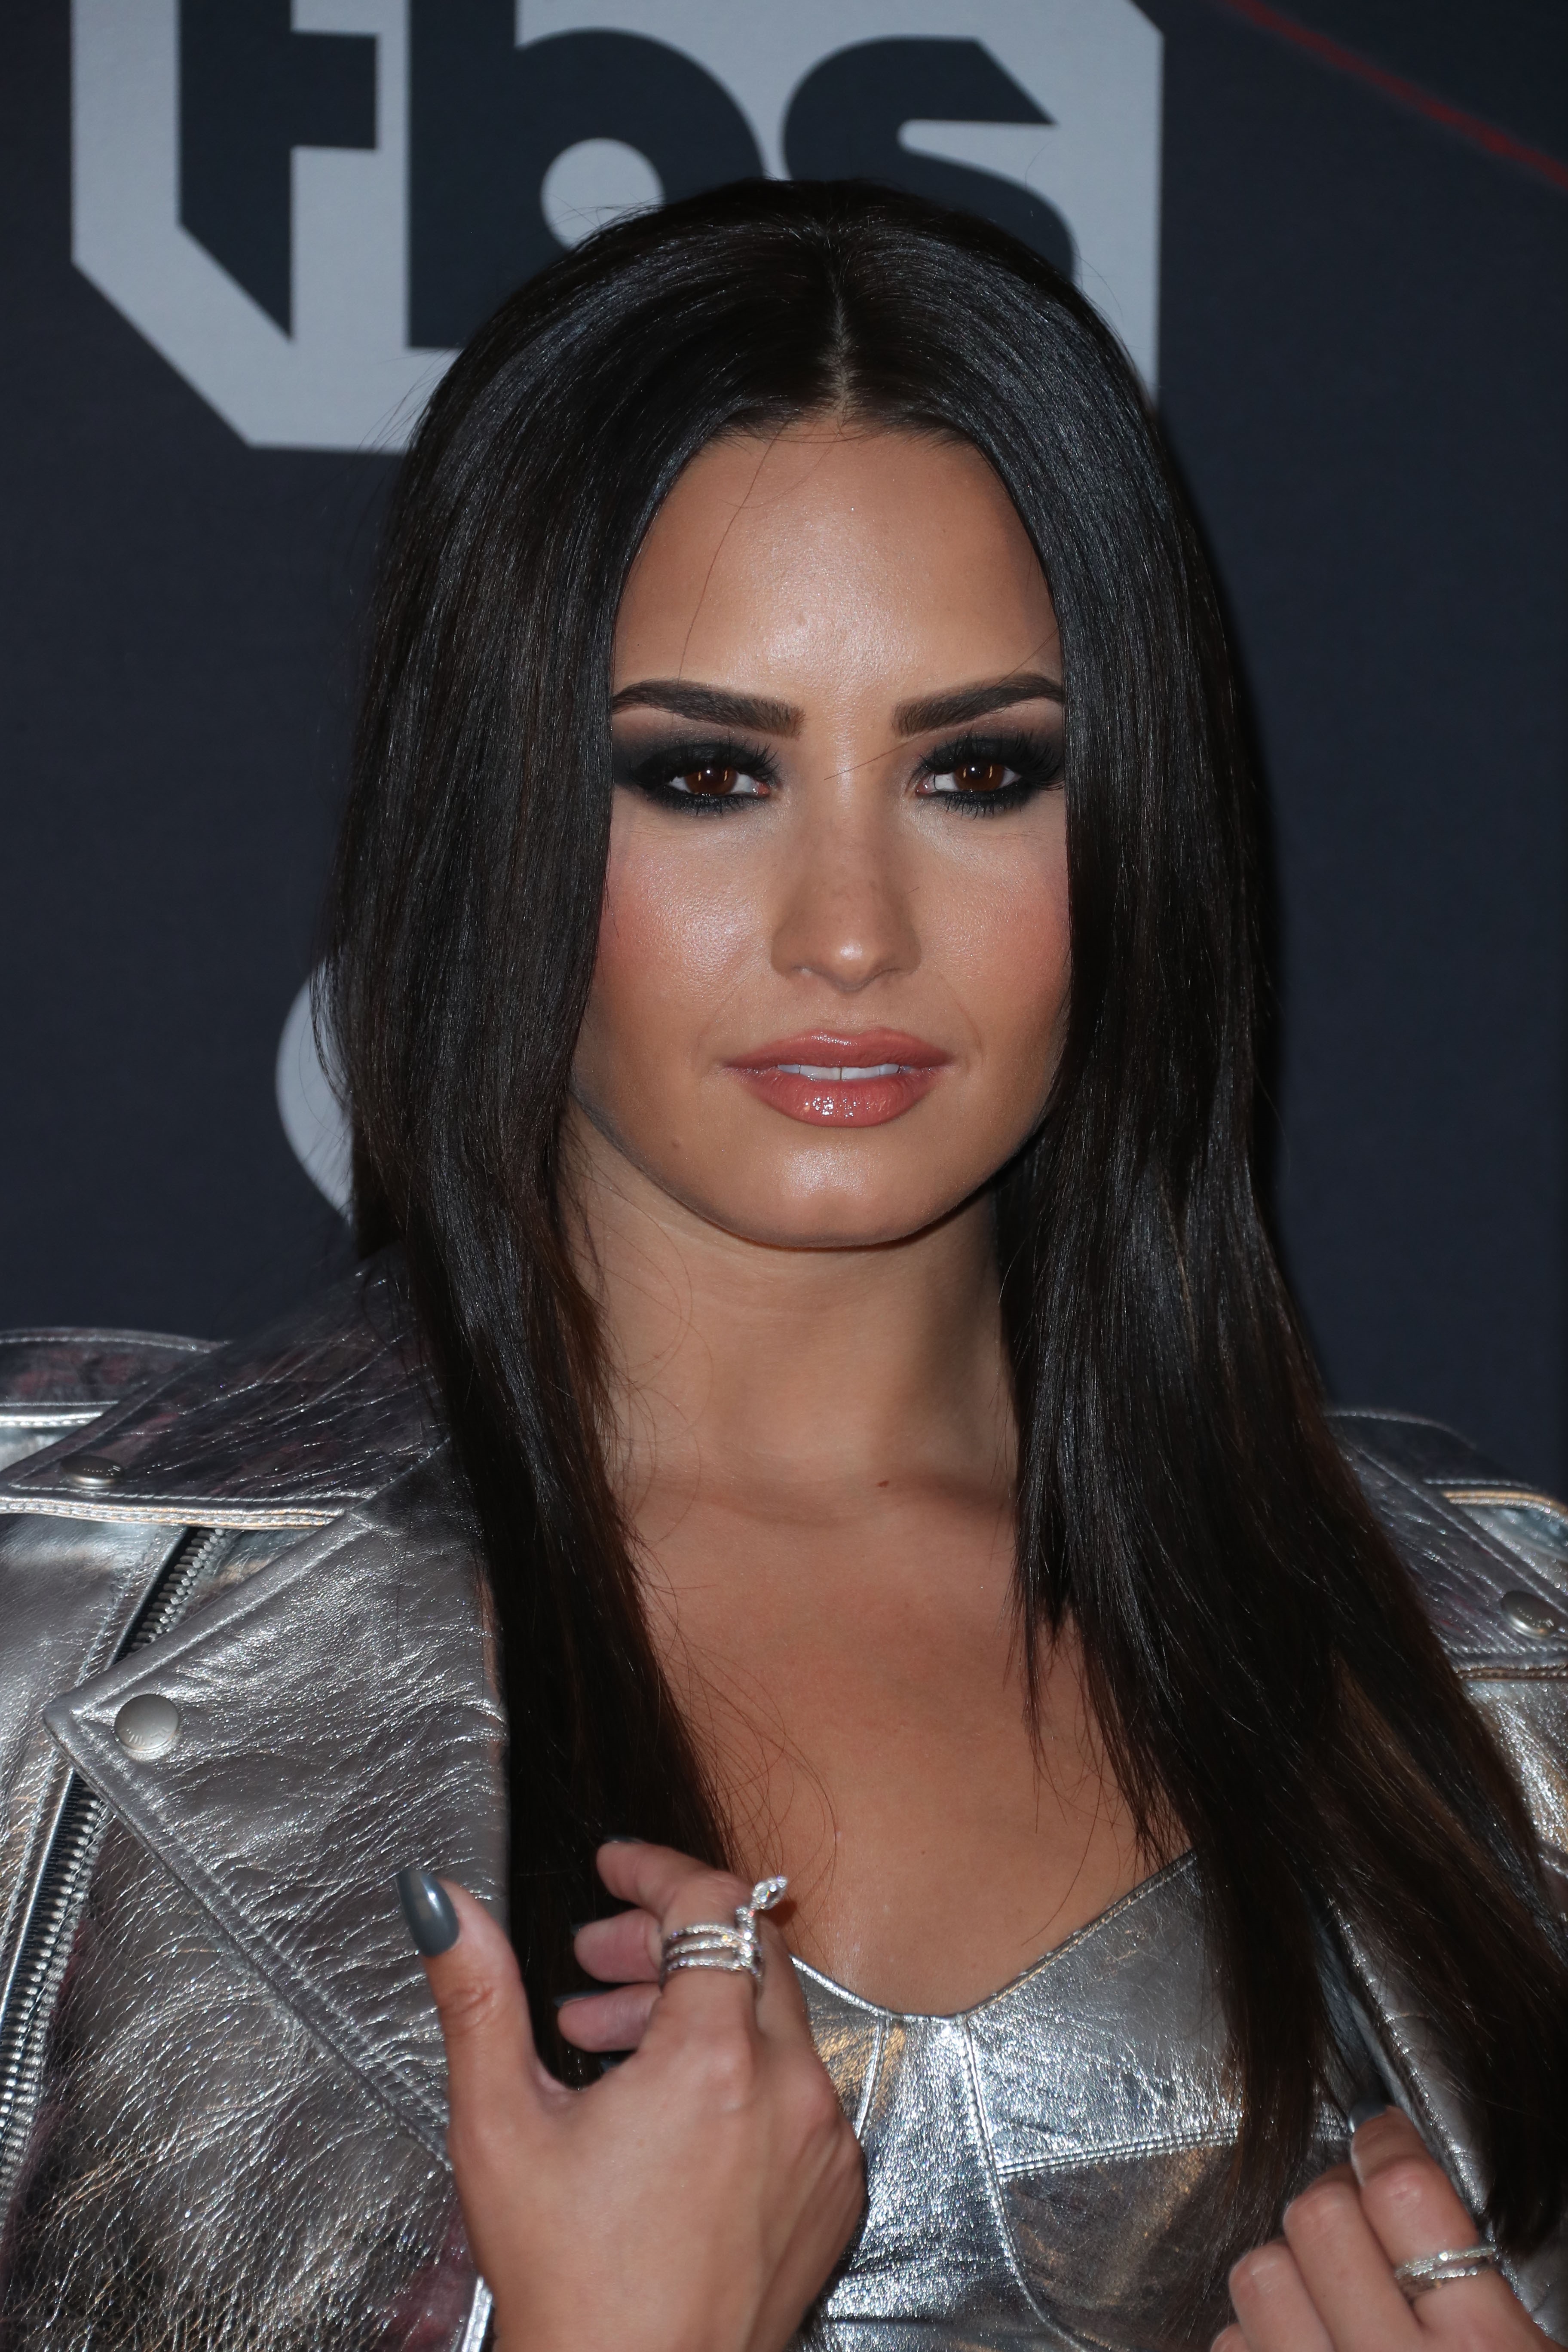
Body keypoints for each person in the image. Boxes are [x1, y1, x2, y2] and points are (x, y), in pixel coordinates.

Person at [0, 181, 1562, 2352]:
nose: (850, 931)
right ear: (497, 808)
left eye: (980, 772)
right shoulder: (50, 1622)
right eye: (708, 772)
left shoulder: (1514, 1701)